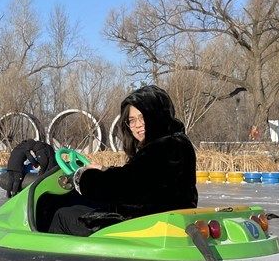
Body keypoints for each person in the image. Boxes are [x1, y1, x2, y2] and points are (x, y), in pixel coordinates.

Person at [48, 85, 198, 236]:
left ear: (157, 116)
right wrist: (104, 171)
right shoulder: (175, 142)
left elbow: (125, 186)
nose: (137, 125)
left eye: (142, 117)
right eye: (131, 120)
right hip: (158, 219)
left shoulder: (162, 147)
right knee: (79, 209)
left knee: (62, 216)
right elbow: (139, 179)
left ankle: (50, 260)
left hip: (145, 225)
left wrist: (83, 178)